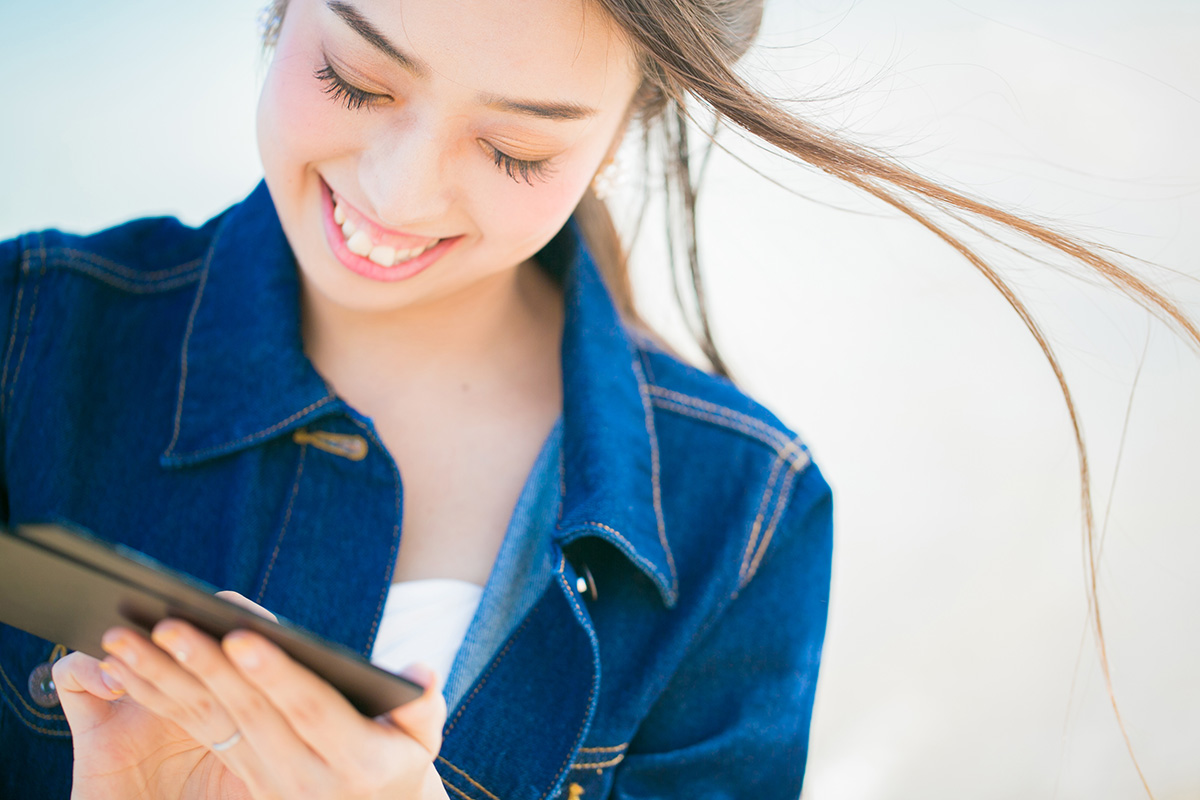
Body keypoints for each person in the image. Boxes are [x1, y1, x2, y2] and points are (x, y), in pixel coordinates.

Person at [0, 1, 1194, 799]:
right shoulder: (29, 334)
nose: (398, 190)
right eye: (355, 80)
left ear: (624, 133)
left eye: (516, 149)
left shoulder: (743, 514)